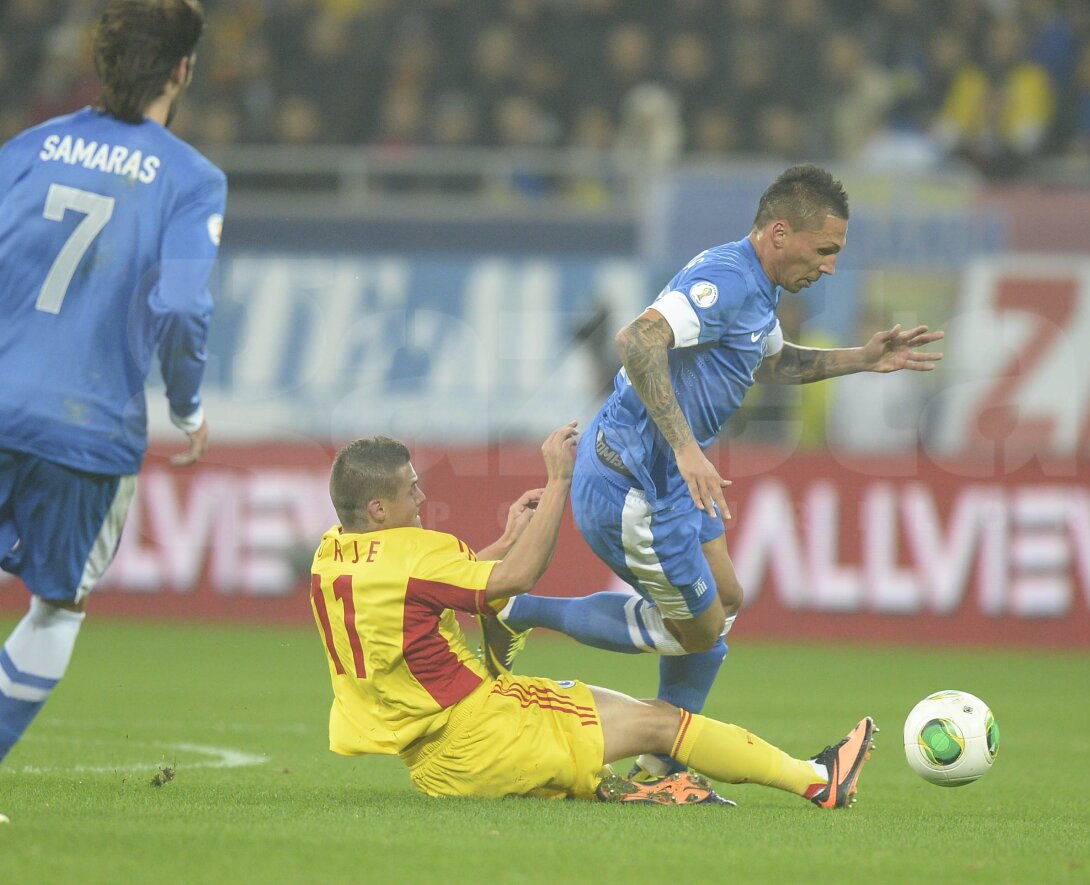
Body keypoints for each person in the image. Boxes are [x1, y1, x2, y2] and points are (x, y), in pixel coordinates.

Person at [482, 164, 941, 787]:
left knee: (727, 600)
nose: (831, 265)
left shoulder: (758, 284)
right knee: (698, 633)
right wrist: (686, 447)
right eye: (825, 250)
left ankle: (661, 764)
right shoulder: (726, 279)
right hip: (634, 485)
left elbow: (770, 364)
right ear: (780, 233)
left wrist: (859, 359)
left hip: (667, 476)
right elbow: (637, 340)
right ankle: (519, 609)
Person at [309, 424, 876, 807]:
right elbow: (514, 581)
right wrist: (559, 479)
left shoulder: (331, 554)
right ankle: (820, 780)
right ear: (379, 507)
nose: (420, 499)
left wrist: (505, 538)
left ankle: (635, 791)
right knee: (660, 721)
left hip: (431, 765)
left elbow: (420, 596)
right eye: (411, 491)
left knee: (595, 748)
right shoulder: (413, 553)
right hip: (479, 732)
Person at [0, 0, 223, 762]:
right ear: (182, 71)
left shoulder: (27, 148)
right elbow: (185, 304)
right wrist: (188, 403)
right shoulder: (192, 180)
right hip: (87, 428)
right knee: (58, 606)